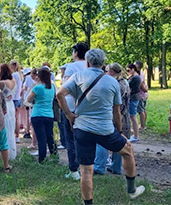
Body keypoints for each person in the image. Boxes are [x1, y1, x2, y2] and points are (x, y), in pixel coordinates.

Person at [56, 49, 145, 204]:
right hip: (105, 130)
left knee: (85, 170)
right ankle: (131, 190)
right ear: (104, 63)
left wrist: (69, 115)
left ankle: (88, 203)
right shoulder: (112, 81)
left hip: (82, 129)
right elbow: (116, 112)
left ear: (88, 62)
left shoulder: (78, 76)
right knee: (128, 151)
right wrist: (119, 131)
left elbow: (59, 94)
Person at [94, 63, 131, 175]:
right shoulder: (125, 82)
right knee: (119, 142)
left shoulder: (115, 84)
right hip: (124, 116)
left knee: (102, 141)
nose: (105, 73)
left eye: (107, 70)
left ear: (112, 72)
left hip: (114, 116)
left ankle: (99, 166)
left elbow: (114, 105)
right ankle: (116, 167)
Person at [62, 42, 89, 181]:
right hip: (88, 107)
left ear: (76, 53)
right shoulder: (91, 66)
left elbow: (65, 87)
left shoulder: (72, 67)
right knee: (86, 138)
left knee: (71, 139)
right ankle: (87, 167)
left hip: (71, 107)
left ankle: (74, 170)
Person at [26, 67, 57, 163]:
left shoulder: (37, 88)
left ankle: (42, 159)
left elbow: (27, 101)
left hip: (37, 114)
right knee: (50, 137)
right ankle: (54, 156)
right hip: (49, 115)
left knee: (41, 138)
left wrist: (32, 105)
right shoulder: (52, 87)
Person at [0, 63, 17, 159]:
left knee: (0, 129)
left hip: (3, 106)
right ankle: (11, 152)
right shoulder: (13, 80)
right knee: (10, 129)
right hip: (11, 105)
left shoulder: (2, 83)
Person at [127, 64, 142, 143]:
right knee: (133, 117)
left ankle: (136, 136)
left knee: (133, 117)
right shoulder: (136, 77)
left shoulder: (135, 77)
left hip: (133, 98)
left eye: (128, 70)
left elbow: (127, 84)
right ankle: (135, 135)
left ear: (133, 69)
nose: (128, 72)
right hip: (134, 98)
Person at [10, 60, 24, 143]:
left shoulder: (14, 75)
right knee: (17, 118)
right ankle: (17, 135)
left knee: (13, 118)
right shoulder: (20, 74)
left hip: (14, 98)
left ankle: (14, 135)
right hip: (18, 98)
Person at [134, 61, 148, 131]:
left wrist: (145, 89)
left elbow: (141, 85)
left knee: (141, 111)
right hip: (143, 95)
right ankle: (143, 124)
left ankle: (142, 126)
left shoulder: (139, 75)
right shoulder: (141, 73)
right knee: (143, 109)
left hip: (140, 95)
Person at [21, 68, 34, 138]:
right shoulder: (35, 78)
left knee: (28, 115)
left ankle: (27, 131)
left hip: (27, 98)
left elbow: (25, 88)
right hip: (33, 99)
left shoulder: (28, 78)